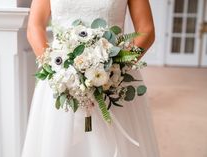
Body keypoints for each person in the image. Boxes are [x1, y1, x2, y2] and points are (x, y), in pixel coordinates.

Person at [22, 0, 160, 157]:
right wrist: (58, 70)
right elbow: (35, 26)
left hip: (113, 79)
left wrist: (117, 66)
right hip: (60, 76)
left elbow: (146, 30)